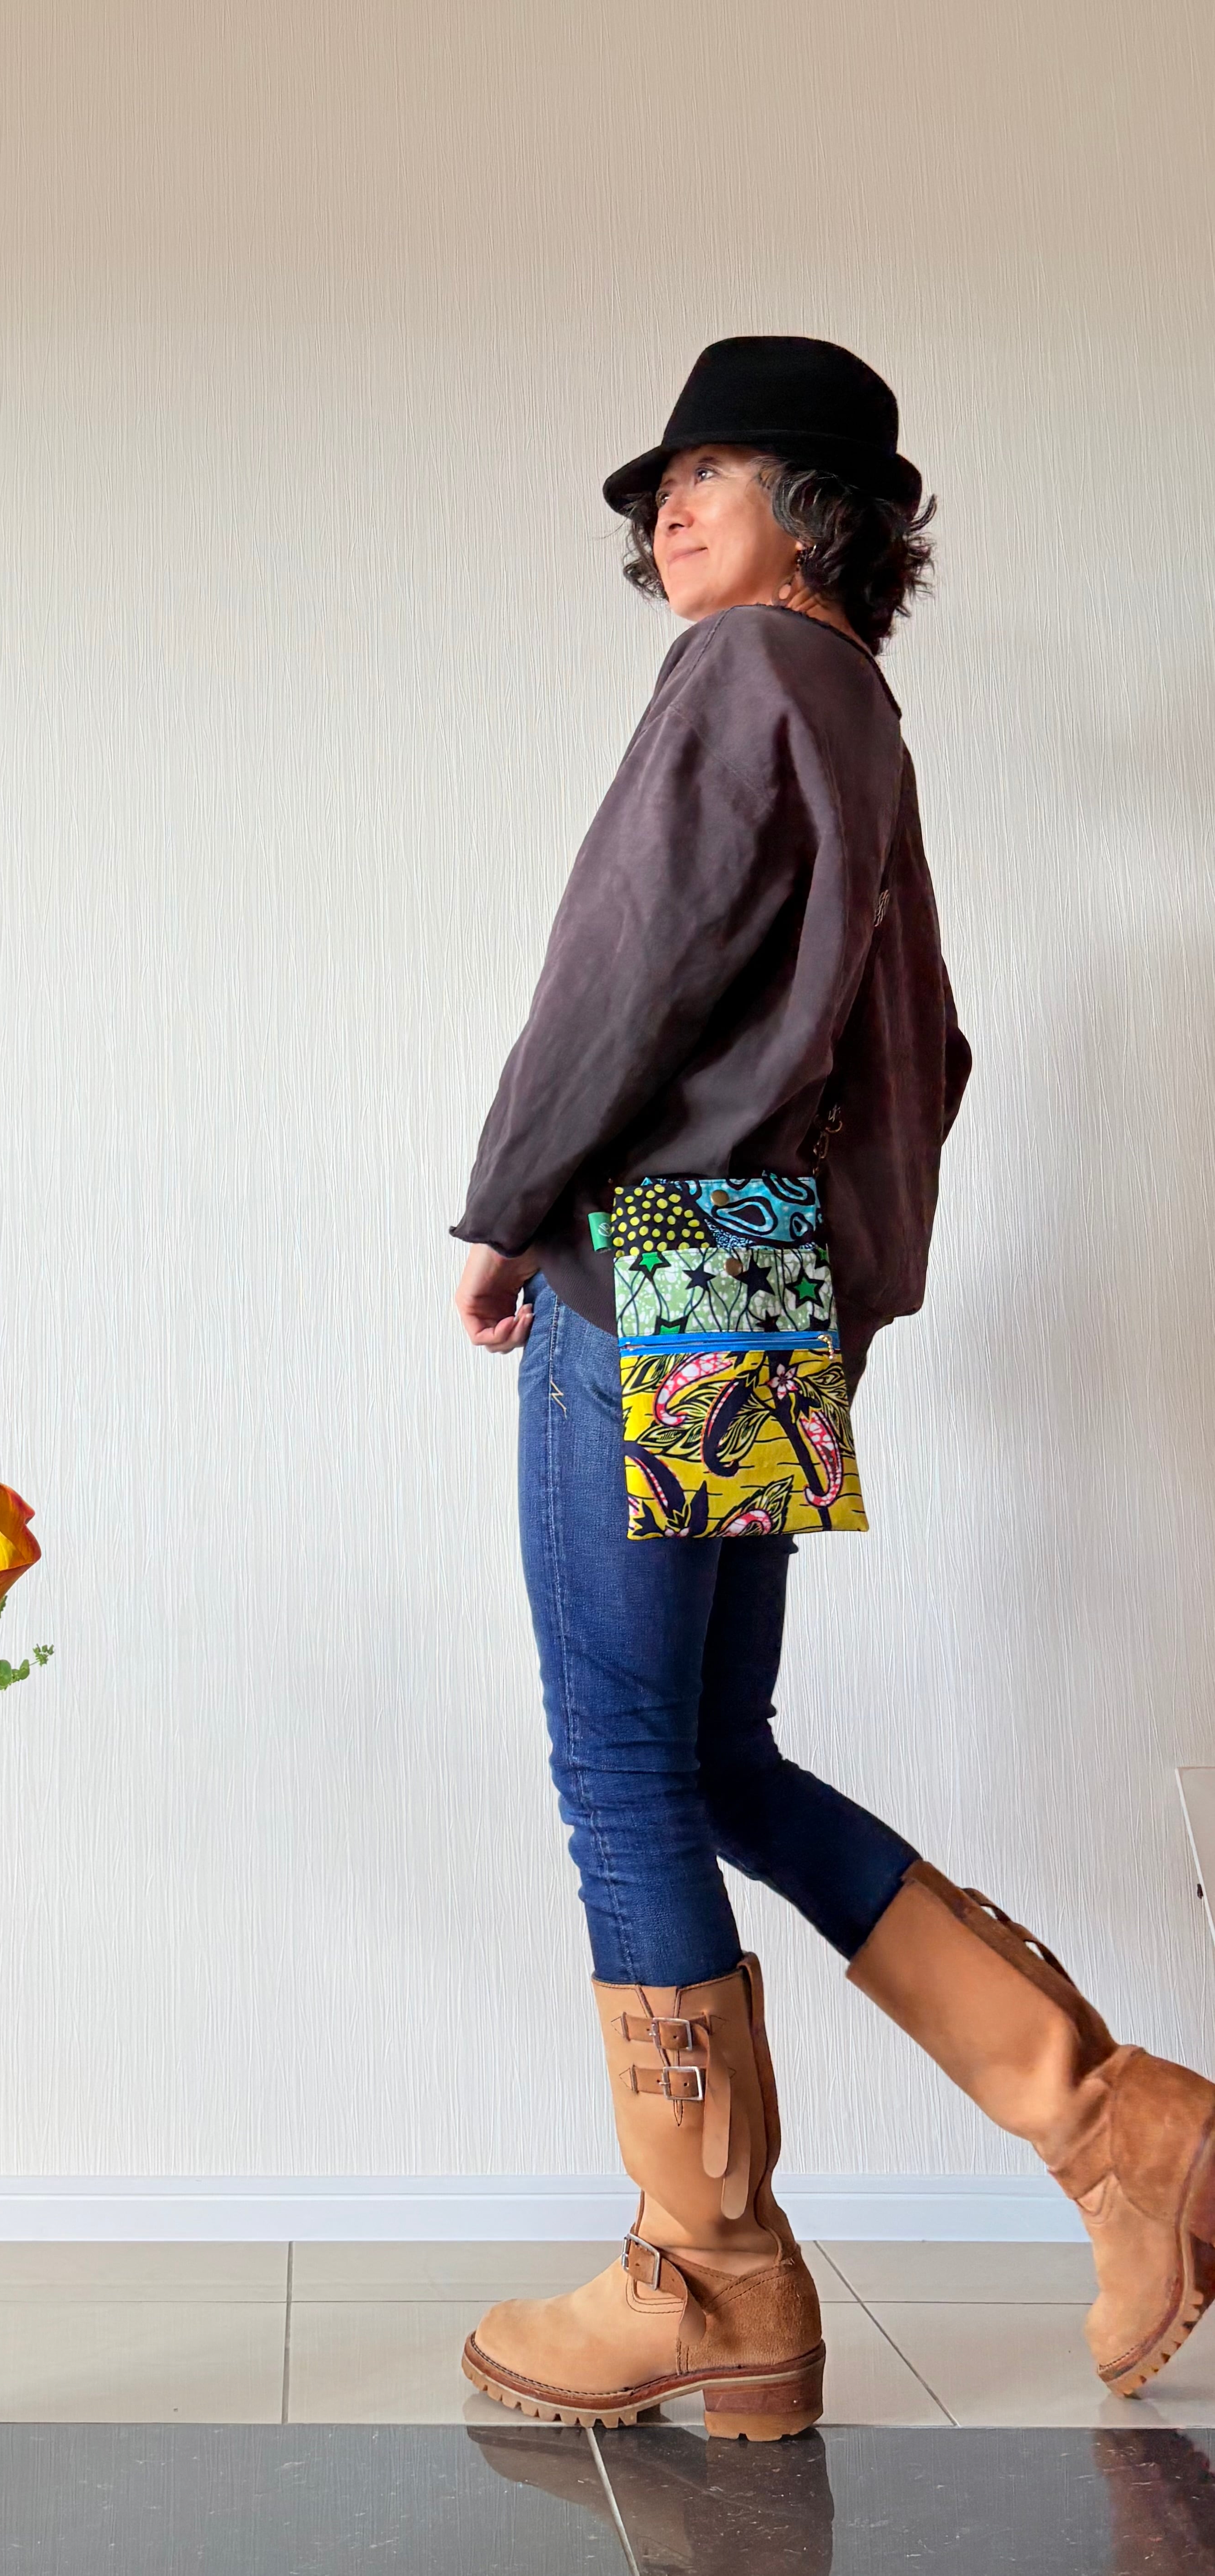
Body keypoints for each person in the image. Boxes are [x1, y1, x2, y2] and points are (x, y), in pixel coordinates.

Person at [449, 335, 1215, 2439]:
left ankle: (708, 2271)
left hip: (659, 1258)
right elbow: (923, 1050)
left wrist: (510, 1202)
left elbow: (622, 971)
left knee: (624, 1759)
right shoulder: (858, 708)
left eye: (711, 469)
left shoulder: (737, 675)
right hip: (758, 1267)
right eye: (658, 486)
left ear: (820, 508)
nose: (665, 509)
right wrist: (823, 1277)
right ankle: (1118, 2124)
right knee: (710, 1748)